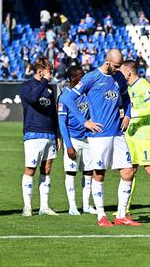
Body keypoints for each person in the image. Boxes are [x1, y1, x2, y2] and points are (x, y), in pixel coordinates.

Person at [62, 49, 140, 227]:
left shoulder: (119, 77)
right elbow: (68, 99)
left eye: (120, 66)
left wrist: (127, 115)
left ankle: (121, 215)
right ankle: (101, 215)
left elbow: (126, 99)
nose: (118, 69)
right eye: (116, 66)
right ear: (107, 61)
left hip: (118, 133)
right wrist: (84, 122)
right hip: (99, 135)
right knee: (99, 173)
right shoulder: (91, 78)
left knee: (128, 171)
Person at [119, 60, 150, 218]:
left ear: (128, 73)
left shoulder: (144, 86)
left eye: (121, 71)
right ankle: (125, 209)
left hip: (144, 136)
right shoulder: (127, 88)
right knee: (129, 171)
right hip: (130, 136)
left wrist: (132, 114)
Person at [20, 57, 59, 216]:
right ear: (40, 71)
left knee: (47, 169)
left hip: (49, 133)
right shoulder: (26, 86)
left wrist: (57, 134)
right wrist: (43, 81)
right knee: (30, 169)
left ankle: (44, 206)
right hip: (33, 133)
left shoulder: (50, 88)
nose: (52, 74)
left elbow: (53, 112)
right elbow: (33, 98)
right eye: (50, 71)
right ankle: (27, 207)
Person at [57, 66, 97, 215]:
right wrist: (68, 145)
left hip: (87, 138)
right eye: (82, 76)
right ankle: (72, 206)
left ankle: (86, 205)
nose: (84, 78)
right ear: (73, 79)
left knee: (88, 172)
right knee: (71, 173)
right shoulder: (64, 97)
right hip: (73, 139)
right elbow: (62, 123)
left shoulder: (86, 94)